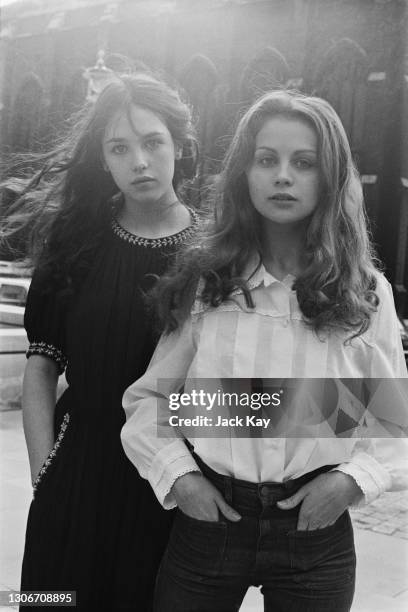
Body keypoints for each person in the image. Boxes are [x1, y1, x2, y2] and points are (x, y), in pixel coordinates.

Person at [121, 90, 408, 612]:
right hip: (211, 524)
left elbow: (390, 418)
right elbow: (149, 403)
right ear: (244, 173)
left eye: (305, 163)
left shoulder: (364, 292)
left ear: (331, 176)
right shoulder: (209, 284)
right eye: (267, 160)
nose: (283, 176)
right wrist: (182, 479)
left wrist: (350, 481)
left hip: (314, 533)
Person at [3, 72, 199, 610]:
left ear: (179, 146)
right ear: (104, 160)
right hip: (74, 471)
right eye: (120, 148)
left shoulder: (214, 257)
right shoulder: (75, 243)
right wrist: (46, 474)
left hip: (168, 480)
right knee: (51, 601)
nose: (139, 161)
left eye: (153, 142)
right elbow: (42, 366)